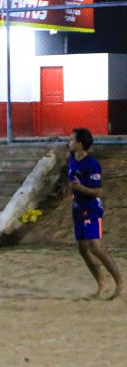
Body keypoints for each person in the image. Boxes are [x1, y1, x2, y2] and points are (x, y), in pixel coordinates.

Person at [68, 128, 123, 299]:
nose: (69, 142)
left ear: (80, 144)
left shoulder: (91, 164)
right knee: (83, 249)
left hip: (91, 209)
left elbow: (97, 190)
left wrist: (81, 188)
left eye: (72, 139)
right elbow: (70, 180)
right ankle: (102, 283)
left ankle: (120, 282)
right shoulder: (72, 159)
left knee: (95, 247)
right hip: (77, 208)